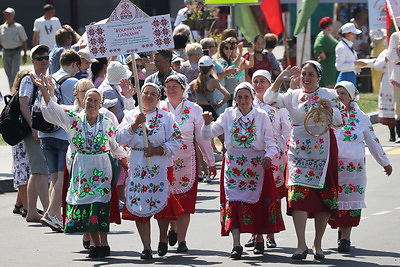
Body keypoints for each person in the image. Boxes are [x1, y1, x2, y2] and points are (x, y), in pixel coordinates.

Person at [36, 76, 127, 258]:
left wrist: (126, 162)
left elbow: (115, 145)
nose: (92, 103)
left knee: (100, 205)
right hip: (81, 170)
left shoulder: (107, 121)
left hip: (102, 169)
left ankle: (104, 242)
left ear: (100, 103)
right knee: (87, 204)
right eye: (88, 100)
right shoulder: (73, 119)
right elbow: (52, 109)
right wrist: (45, 90)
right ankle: (94, 243)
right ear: (82, 101)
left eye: (95, 100)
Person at [264, 60, 344, 260]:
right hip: (298, 150)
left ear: (318, 77)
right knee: (297, 195)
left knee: (323, 196)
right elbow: (268, 99)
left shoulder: (329, 95)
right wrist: (279, 80)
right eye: (304, 74)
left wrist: (330, 110)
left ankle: (318, 243)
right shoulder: (292, 95)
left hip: (323, 150)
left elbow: (341, 121)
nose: (306, 78)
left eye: (311, 75)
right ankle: (301, 244)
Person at [202, 82, 284, 259]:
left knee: (258, 202)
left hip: (256, 164)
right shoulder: (228, 115)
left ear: (252, 98)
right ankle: (236, 244)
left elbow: (271, 142)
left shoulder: (261, 116)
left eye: (246, 96)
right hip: (235, 165)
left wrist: (269, 156)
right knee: (235, 203)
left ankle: (259, 238)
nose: (243, 100)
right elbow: (207, 135)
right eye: (239, 97)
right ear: (235, 99)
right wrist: (206, 124)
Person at [117, 83, 184, 260]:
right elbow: (119, 137)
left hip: (159, 165)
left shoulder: (166, 117)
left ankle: (163, 238)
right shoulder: (131, 114)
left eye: (153, 94)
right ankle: (146, 247)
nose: (148, 96)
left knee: (161, 203)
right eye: (145, 93)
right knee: (140, 206)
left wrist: (158, 150)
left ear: (158, 97)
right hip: (138, 166)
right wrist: (134, 124)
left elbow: (177, 140)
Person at [329, 81, 392, 252]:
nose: (340, 97)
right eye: (337, 93)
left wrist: (384, 163)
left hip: (354, 172)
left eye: (343, 93)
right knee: (334, 202)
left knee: (351, 202)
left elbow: (373, 141)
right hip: (333, 169)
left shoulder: (361, 117)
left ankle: (345, 238)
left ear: (351, 96)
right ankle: (340, 230)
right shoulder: (329, 115)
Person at [160, 74, 216, 252]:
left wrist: (210, 161)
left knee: (185, 200)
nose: (171, 90)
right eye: (168, 86)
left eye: (175, 86)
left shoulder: (194, 109)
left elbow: (202, 137)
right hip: (163, 160)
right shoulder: (159, 107)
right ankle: (169, 231)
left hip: (186, 159)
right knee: (166, 198)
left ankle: (182, 240)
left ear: (183, 89)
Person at [244, 69, 291, 249]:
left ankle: (270, 233)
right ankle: (255, 233)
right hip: (252, 156)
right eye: (255, 81)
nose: (258, 85)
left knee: (272, 195)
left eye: (263, 80)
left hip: (275, 157)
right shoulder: (249, 104)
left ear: (270, 83)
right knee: (252, 193)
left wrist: (288, 154)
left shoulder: (278, 106)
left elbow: (287, 133)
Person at [39, 49, 80, 232]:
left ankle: (55, 215)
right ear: (73, 64)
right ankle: (51, 213)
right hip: (63, 135)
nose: (77, 71)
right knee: (62, 177)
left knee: (55, 177)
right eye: (77, 66)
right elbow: (76, 110)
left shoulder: (50, 78)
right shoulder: (74, 82)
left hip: (45, 133)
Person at [19, 44, 50, 223]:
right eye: (40, 58)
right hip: (34, 130)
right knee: (41, 170)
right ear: (33, 61)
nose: (44, 61)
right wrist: (34, 127)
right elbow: (24, 104)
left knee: (36, 171)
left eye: (46, 57)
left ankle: (32, 211)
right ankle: (48, 212)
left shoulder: (46, 77)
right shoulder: (29, 79)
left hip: (42, 129)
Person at [11, 70, 31, 218]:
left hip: (18, 138)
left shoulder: (16, 98)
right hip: (21, 139)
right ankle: (27, 207)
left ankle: (19, 204)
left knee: (23, 169)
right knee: (23, 171)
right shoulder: (20, 100)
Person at [0, 7, 28, 90]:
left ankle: (16, 91)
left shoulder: (18, 27)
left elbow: (24, 41)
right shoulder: (1, 28)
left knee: (14, 73)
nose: (7, 16)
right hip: (5, 52)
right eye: (6, 14)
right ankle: (12, 91)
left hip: (16, 51)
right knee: (8, 74)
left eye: (9, 14)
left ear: (13, 15)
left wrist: (25, 54)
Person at [374, 49, 396, 141]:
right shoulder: (385, 52)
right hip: (387, 81)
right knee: (389, 109)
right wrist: (385, 59)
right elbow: (377, 66)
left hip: (397, 78)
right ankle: (392, 134)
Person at [314, 17, 338, 88]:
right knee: (328, 86)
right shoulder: (321, 36)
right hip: (327, 65)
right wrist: (321, 53)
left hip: (332, 64)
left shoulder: (328, 35)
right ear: (328, 26)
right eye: (332, 25)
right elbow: (317, 46)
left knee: (333, 85)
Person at [387, 31, 400, 143]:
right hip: (399, 74)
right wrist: (398, 49)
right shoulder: (395, 36)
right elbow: (390, 56)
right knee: (399, 105)